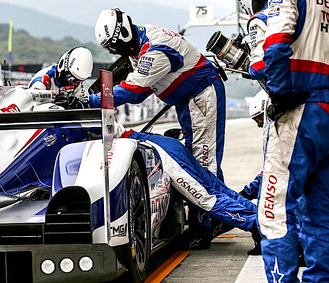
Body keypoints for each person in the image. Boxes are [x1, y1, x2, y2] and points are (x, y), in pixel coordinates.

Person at [234, 0, 329, 283]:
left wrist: (278, 92)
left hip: (300, 112)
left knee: (274, 207)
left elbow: (276, 44)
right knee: (324, 210)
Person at [89, 9, 226, 180]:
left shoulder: (154, 49)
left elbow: (134, 90)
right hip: (186, 101)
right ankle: (218, 201)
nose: (114, 52)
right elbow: (140, 92)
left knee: (205, 161)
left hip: (202, 94)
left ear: (122, 34)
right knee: (195, 158)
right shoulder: (139, 42)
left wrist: (91, 101)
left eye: (113, 46)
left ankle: (217, 204)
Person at [122, 129, 259, 248]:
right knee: (215, 189)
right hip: (164, 143)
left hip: (160, 150)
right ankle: (260, 217)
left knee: (204, 198)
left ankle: (255, 225)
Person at [237, 0, 273, 82]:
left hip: (294, 91)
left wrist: (247, 65)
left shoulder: (259, 19)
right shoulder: (292, 7)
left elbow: (259, 67)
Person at [28, 46, 93, 108]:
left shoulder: (77, 80)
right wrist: (54, 104)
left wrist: (77, 104)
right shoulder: (42, 80)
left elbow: (84, 102)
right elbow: (32, 105)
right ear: (63, 66)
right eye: (70, 78)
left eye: (76, 80)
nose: (71, 82)